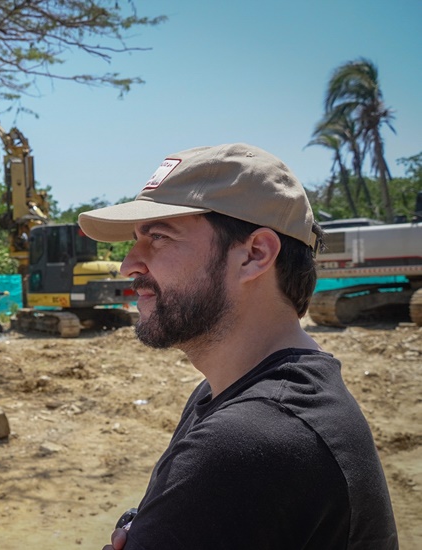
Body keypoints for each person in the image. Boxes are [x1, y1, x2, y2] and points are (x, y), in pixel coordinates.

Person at [78, 143, 398, 549]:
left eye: (158, 236)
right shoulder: (226, 394)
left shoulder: (252, 440)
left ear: (255, 254)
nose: (129, 264)